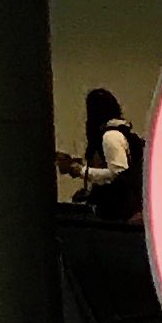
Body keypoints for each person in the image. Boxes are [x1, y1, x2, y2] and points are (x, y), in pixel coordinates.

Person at [60, 88, 144, 223]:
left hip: (118, 213)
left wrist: (81, 171)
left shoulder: (110, 137)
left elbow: (117, 173)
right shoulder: (119, 133)